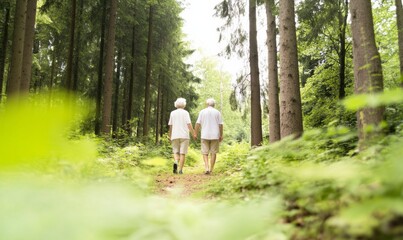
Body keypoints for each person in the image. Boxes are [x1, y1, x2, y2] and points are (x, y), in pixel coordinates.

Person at [194, 98, 223, 174]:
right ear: (214, 105)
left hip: (205, 134)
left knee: (205, 152)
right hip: (215, 135)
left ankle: (206, 168)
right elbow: (220, 125)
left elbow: (198, 124)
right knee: (213, 153)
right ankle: (211, 169)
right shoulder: (217, 112)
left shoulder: (202, 112)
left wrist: (195, 133)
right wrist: (221, 135)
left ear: (207, 104)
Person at [168, 98, 195, 174]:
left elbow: (170, 125)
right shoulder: (185, 113)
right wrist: (193, 133)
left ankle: (176, 161)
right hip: (184, 136)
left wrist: (170, 136)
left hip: (175, 135)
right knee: (182, 153)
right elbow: (189, 124)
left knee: (176, 152)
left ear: (176, 104)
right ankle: (180, 170)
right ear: (184, 105)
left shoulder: (172, 113)